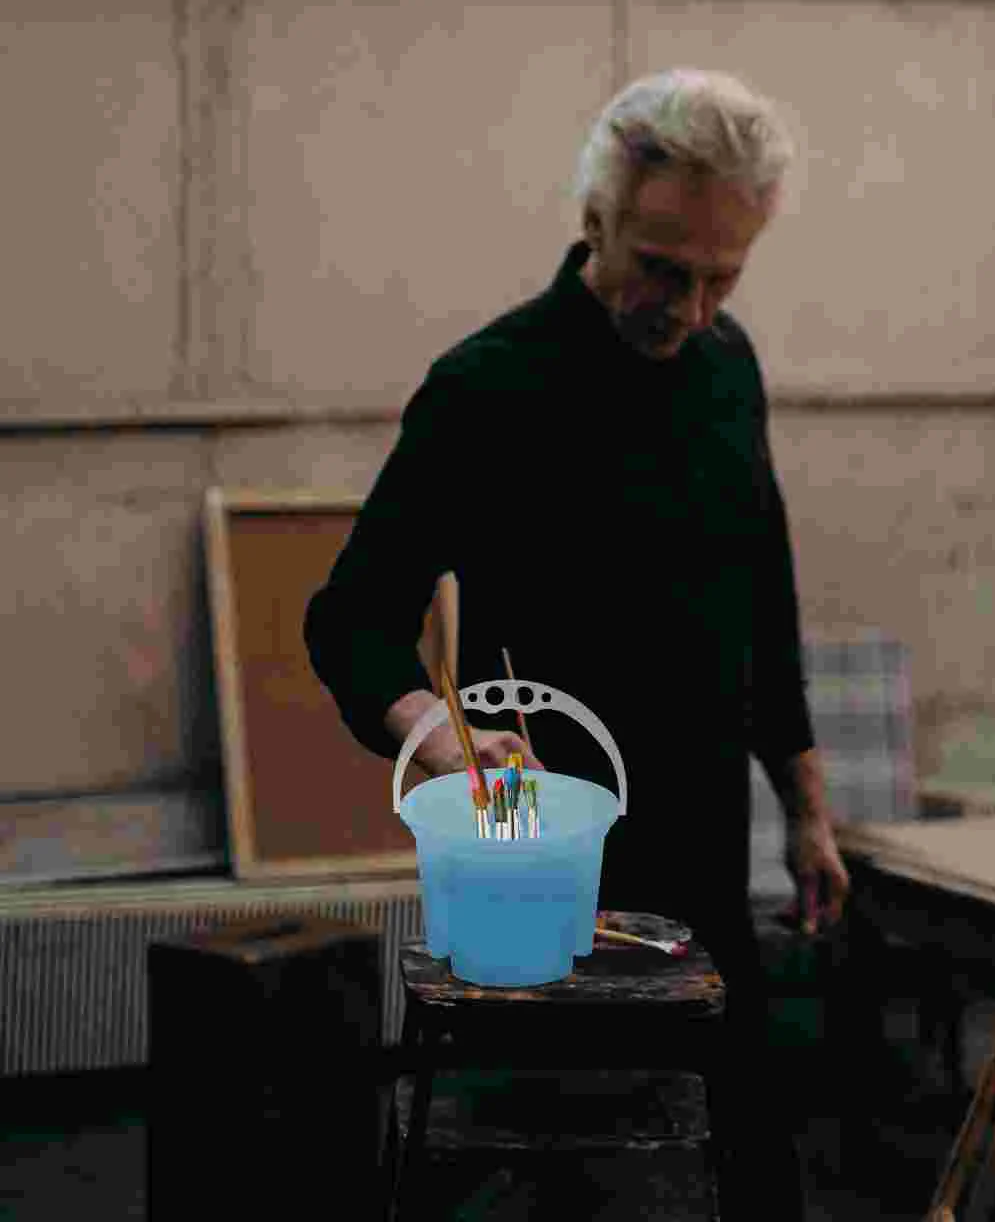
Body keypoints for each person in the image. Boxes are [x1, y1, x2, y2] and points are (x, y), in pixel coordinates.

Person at [303, 67, 850, 1218]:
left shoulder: (728, 368)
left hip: (706, 861)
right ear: (593, 217)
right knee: (564, 1184)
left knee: (740, 1177)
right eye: (662, 269)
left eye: (722, 277)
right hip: (535, 871)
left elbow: (765, 593)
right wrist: (435, 733)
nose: (691, 308)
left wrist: (803, 802)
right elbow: (348, 620)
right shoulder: (486, 388)